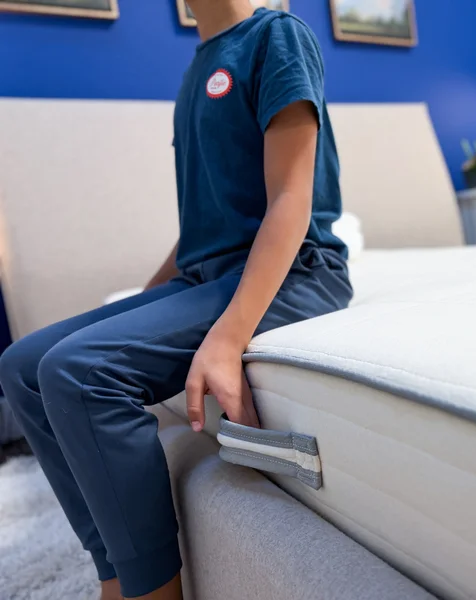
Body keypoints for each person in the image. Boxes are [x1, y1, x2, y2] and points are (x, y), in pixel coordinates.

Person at [0, 1, 351, 598]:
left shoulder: (277, 36)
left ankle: (151, 591)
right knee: (23, 366)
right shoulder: (197, 71)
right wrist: (141, 304)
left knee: (80, 374)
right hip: (206, 275)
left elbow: (291, 202)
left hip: (297, 273)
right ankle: (116, 569)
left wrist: (229, 337)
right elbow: (202, 232)